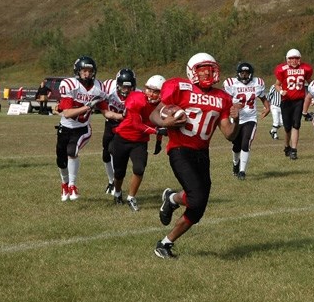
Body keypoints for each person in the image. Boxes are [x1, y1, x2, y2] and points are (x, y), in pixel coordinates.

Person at [151, 52, 240, 259]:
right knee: (196, 198)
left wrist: (237, 120)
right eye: (202, 69)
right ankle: (172, 199)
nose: (208, 72)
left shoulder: (223, 97)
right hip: (180, 149)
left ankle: (165, 241)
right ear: (192, 71)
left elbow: (229, 134)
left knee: (198, 208)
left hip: (202, 152)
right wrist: (165, 123)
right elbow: (155, 113)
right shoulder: (178, 87)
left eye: (210, 68)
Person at [110, 74, 166, 212]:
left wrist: (158, 141)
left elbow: (160, 124)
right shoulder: (136, 98)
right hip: (122, 138)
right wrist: (157, 133)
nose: (151, 94)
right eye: (149, 89)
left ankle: (131, 197)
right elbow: (137, 124)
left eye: (155, 91)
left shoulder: (162, 105)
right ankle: (117, 193)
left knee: (139, 168)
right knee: (119, 172)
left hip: (140, 142)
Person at [55, 56, 107, 201]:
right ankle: (64, 184)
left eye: (90, 71)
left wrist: (121, 116)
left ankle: (72, 185)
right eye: (84, 70)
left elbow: (105, 111)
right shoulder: (70, 84)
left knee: (72, 151)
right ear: (78, 71)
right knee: (60, 160)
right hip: (65, 127)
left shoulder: (98, 87)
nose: (87, 74)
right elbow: (67, 113)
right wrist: (88, 106)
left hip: (82, 129)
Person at [223, 62, 270, 180]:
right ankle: (235, 163)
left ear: (251, 74)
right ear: (238, 74)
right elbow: (225, 100)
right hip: (237, 119)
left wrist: (267, 107)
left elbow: (262, 97)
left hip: (250, 118)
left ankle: (242, 172)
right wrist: (234, 105)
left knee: (246, 143)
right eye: (242, 73)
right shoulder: (231, 84)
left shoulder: (257, 83)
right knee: (236, 146)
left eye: (247, 73)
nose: (244, 75)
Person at [99, 68, 134, 199]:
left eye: (129, 87)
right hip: (110, 122)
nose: (126, 90)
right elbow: (99, 96)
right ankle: (110, 181)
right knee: (106, 154)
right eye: (124, 87)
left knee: (115, 151)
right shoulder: (108, 87)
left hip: (124, 126)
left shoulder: (137, 93)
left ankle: (115, 182)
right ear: (117, 84)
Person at [273, 49, 313, 160]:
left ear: (299, 59)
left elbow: (311, 82)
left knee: (296, 124)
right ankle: (287, 146)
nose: (294, 60)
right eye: (291, 58)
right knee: (287, 127)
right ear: (287, 59)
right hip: (286, 101)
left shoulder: (305, 68)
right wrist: (281, 91)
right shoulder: (282, 69)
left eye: (296, 58)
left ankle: (294, 150)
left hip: (299, 100)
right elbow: (277, 85)